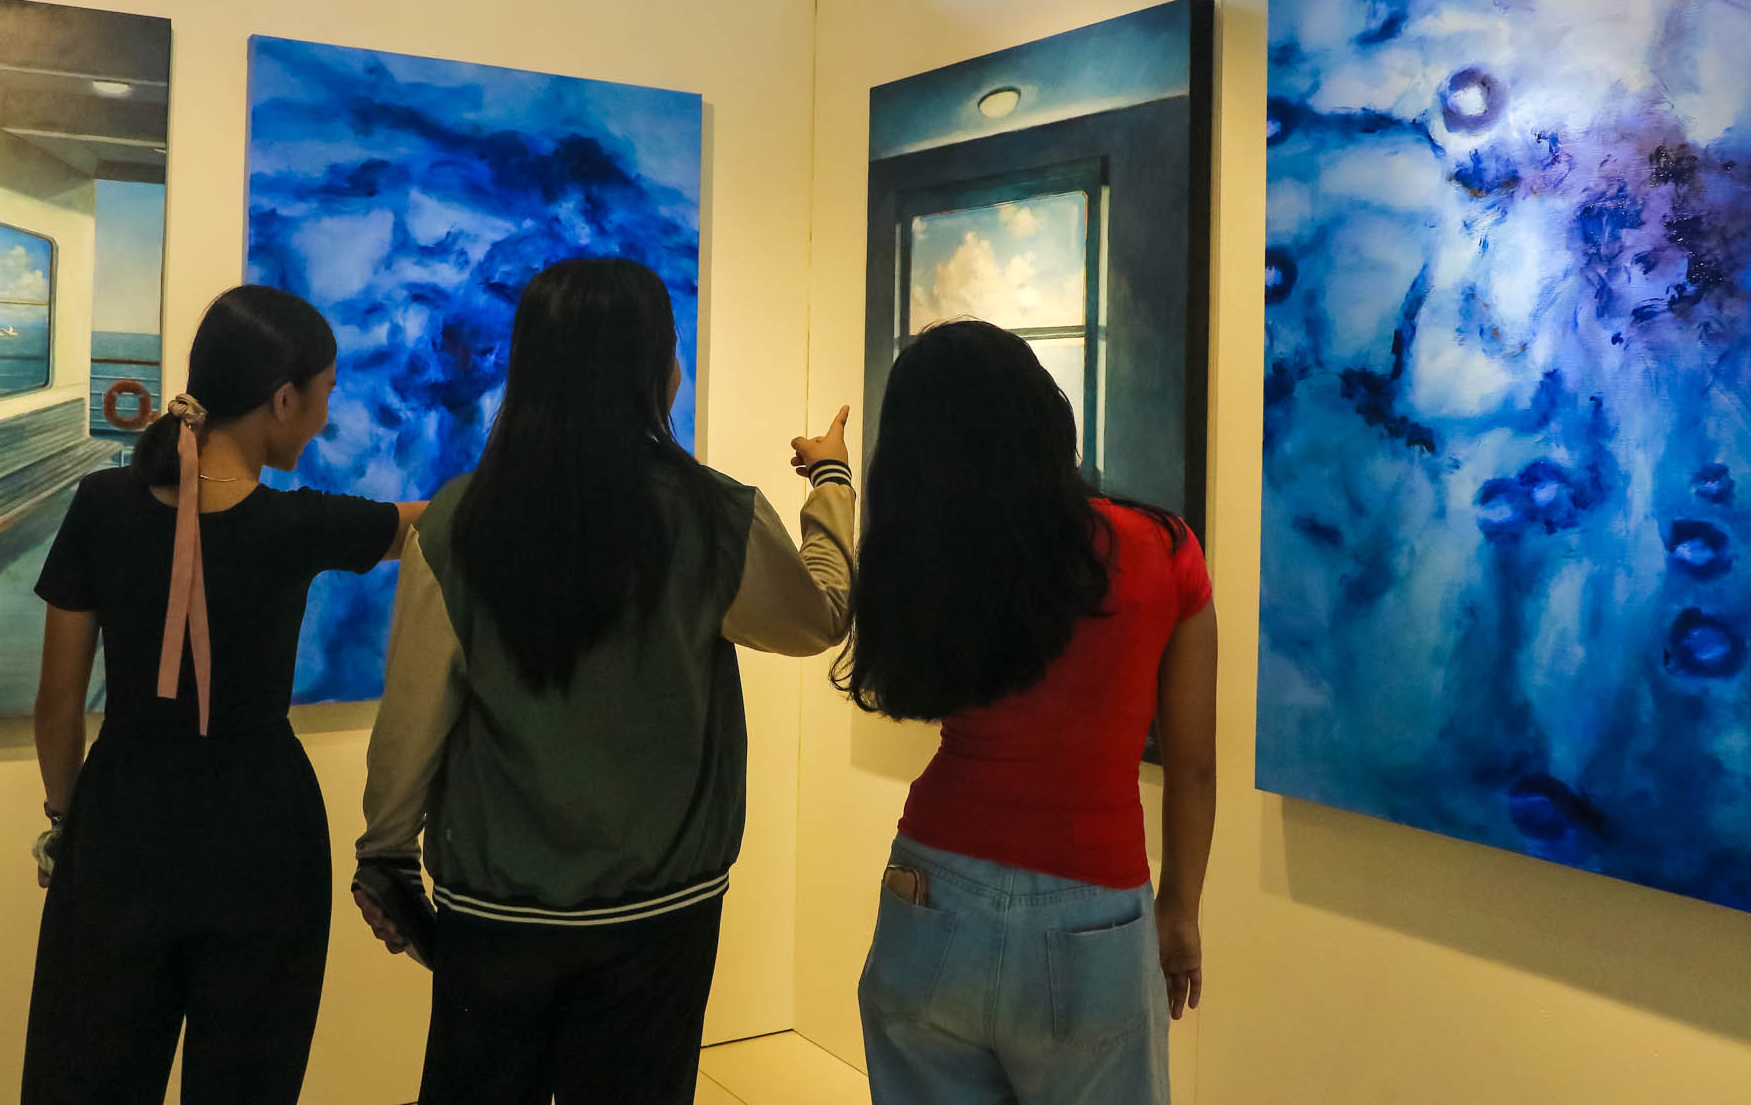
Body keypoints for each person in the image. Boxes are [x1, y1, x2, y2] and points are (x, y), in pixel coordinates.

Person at [352, 257, 857, 1105]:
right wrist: (832, 482)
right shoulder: (713, 515)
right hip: (661, 914)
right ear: (655, 368)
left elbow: (412, 719)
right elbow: (821, 616)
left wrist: (385, 854)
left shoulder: (456, 522)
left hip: (495, 914)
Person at [22, 285, 428, 1105]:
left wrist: (67, 820)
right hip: (263, 837)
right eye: (325, 394)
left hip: (121, 829)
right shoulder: (300, 523)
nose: (324, 418)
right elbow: (432, 524)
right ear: (282, 399)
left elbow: (58, 702)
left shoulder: (100, 505)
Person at [840, 319, 1218, 1105]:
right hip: (1094, 911)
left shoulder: (937, 560)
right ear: (1047, 415)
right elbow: (1193, 765)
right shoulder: (1163, 548)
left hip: (930, 885)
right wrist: (1181, 904)